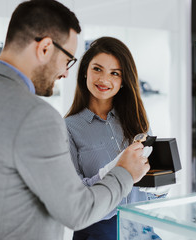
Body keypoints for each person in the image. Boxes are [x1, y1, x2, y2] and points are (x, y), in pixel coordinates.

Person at [0, 1, 150, 240]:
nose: (65, 73)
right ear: (44, 48)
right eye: (67, 60)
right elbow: (78, 211)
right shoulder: (37, 117)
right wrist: (124, 172)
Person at [65, 37, 164, 240]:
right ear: (85, 71)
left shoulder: (138, 120)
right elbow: (76, 196)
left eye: (115, 73)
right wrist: (116, 169)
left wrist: (160, 186)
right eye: (97, 69)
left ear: (123, 81)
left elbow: (149, 182)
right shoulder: (68, 127)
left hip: (141, 229)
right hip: (98, 232)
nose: (104, 79)